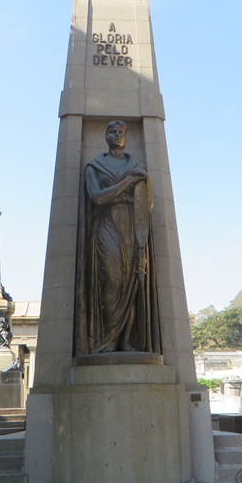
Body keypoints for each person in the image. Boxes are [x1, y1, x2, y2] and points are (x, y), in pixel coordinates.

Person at [75, 121, 161, 355]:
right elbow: (97, 197)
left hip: (131, 226)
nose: (117, 135)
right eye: (113, 132)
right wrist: (128, 182)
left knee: (131, 282)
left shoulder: (136, 166)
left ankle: (127, 341)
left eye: (122, 132)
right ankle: (107, 339)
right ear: (106, 136)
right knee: (112, 280)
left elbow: (147, 203)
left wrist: (142, 183)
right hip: (106, 225)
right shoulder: (95, 166)